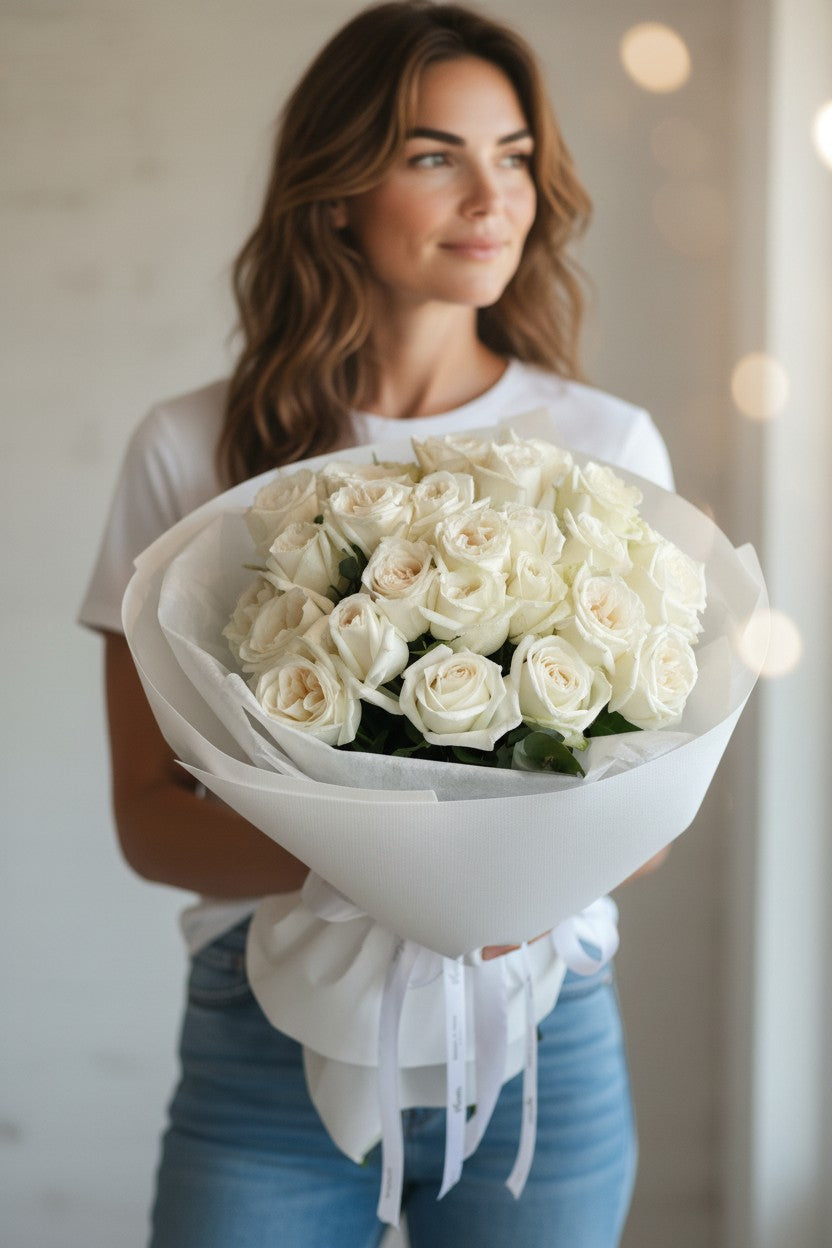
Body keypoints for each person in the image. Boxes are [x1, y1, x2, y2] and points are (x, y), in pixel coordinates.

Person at [80, 3, 674, 1245]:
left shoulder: (602, 448)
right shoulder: (187, 447)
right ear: (335, 189)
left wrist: (491, 894)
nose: (490, 195)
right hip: (262, 1034)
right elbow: (149, 816)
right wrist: (396, 875)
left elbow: (648, 817)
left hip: (537, 1032)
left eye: (512, 155)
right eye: (431, 155)